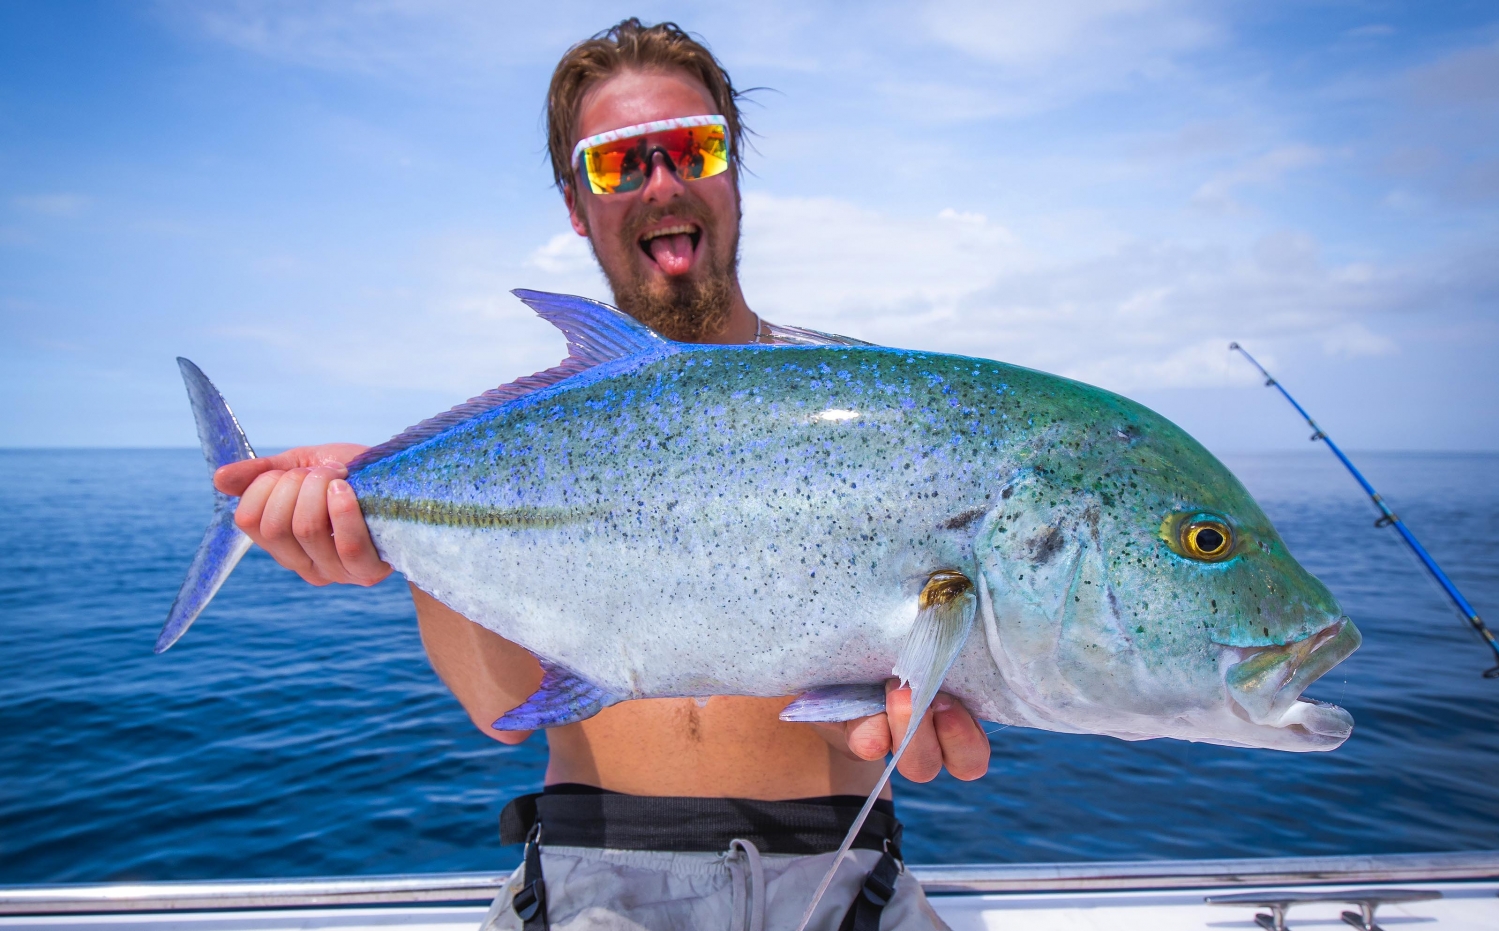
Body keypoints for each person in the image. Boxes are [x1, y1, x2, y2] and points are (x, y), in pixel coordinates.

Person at [213, 18, 990, 930]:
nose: (663, 181)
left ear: (733, 174)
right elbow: (503, 709)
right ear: (578, 207)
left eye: (694, 148)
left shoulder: (877, 411)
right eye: (619, 164)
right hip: (595, 889)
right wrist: (377, 527)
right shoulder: (510, 454)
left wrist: (944, 686)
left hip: (844, 880)